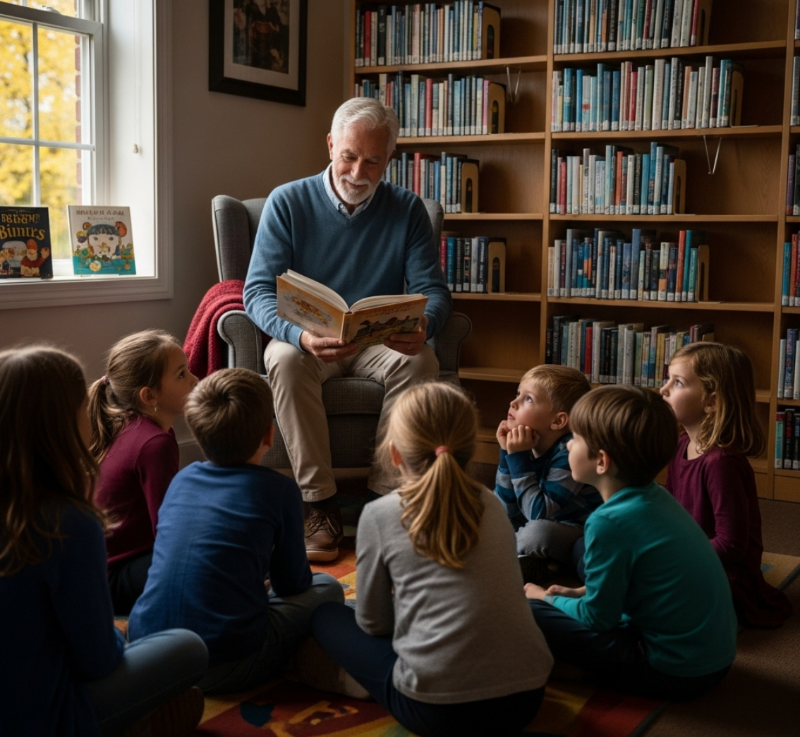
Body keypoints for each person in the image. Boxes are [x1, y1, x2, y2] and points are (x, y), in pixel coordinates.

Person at [243, 96, 452, 561]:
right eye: (348, 157)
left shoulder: (409, 210)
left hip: (377, 341)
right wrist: (298, 335)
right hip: (310, 342)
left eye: (373, 161)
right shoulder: (287, 202)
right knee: (280, 357)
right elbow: (255, 293)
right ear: (331, 144)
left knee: (423, 359)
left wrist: (426, 324)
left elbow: (433, 291)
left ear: (390, 158)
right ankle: (320, 504)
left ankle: (385, 499)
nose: (358, 172)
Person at [306, 382, 553, 737]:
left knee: (326, 615)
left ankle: (355, 682)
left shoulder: (379, 514)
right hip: (526, 700)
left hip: (437, 712)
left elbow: (374, 623)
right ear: (468, 450)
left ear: (394, 454)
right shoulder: (493, 505)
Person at [0, 345, 208, 737]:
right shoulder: (67, 521)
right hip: (44, 719)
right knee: (188, 648)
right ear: (60, 425)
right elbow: (97, 660)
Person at [128, 368, 344, 694]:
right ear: (269, 436)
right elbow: (292, 585)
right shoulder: (280, 490)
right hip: (223, 663)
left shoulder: (181, 480)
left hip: (147, 645)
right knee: (327, 587)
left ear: (199, 436)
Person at [526, 385, 737, 701]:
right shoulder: (656, 495)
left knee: (528, 609)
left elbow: (598, 618)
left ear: (601, 461)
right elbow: (644, 575)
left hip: (671, 672)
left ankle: (587, 671)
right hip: (713, 661)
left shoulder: (607, 522)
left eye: (576, 438)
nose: (568, 444)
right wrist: (580, 592)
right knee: (584, 556)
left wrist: (547, 598)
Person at [661, 342, 792, 628]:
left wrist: (676, 558)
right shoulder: (681, 443)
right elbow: (669, 507)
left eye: (678, 382)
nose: (664, 389)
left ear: (712, 401)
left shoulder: (722, 462)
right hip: (692, 554)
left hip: (724, 573)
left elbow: (731, 545)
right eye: (666, 379)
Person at [88, 329, 198, 615]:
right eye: (181, 375)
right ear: (149, 396)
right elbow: (169, 533)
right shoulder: (154, 444)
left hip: (100, 573)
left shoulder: (129, 425)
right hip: (116, 580)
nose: (195, 379)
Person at [494, 364, 601, 583]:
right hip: (532, 520)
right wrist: (507, 453)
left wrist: (517, 458)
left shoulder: (571, 451)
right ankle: (521, 555)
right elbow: (505, 510)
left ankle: (506, 555)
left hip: (578, 530)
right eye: (518, 394)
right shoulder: (523, 445)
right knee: (484, 510)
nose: (513, 403)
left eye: (528, 399)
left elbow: (538, 513)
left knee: (537, 533)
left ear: (558, 421)